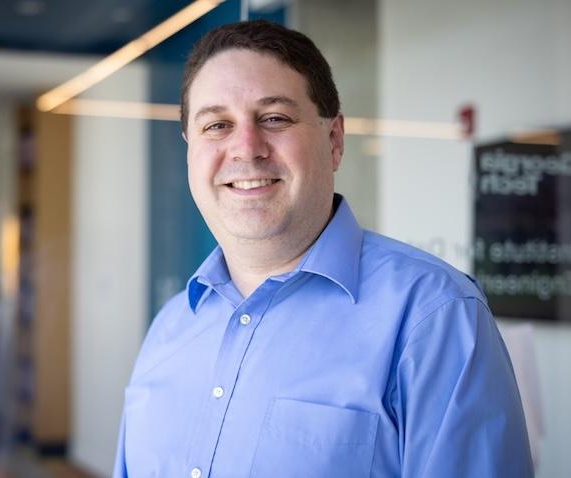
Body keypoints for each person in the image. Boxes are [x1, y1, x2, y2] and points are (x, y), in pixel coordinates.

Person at [113, 20, 533, 478]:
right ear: (190, 151)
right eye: (217, 125)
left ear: (334, 141)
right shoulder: (171, 327)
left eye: (275, 118)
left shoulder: (434, 316)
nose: (246, 149)